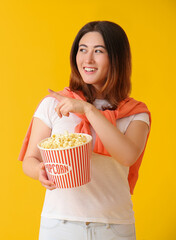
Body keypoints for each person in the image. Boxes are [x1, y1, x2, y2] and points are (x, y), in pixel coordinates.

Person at [19, 21, 151, 240]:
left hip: (114, 227)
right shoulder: (54, 104)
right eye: (82, 50)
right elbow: (30, 159)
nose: (87, 59)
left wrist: (89, 110)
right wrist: (39, 170)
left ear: (116, 58)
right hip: (59, 225)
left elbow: (127, 156)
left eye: (98, 51)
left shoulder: (135, 113)